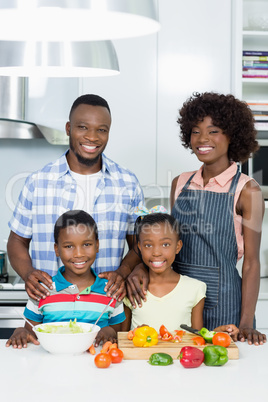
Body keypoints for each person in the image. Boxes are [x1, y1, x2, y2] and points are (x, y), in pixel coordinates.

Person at [7, 94, 144, 303]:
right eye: (83, 127)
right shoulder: (39, 181)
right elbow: (17, 240)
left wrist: (124, 271)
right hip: (50, 307)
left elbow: (139, 244)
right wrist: (27, 273)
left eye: (102, 130)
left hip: (105, 310)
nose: (92, 137)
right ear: (69, 128)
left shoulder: (127, 182)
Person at [170, 92, 266, 345]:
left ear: (232, 135)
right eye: (195, 131)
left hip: (225, 302)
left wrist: (246, 322)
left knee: (225, 374)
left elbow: (252, 263)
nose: (202, 139)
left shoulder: (247, 190)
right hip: (181, 300)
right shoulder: (179, 183)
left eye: (213, 131)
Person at [6, 210, 125, 349]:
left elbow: (117, 331)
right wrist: (21, 331)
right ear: (57, 249)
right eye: (69, 246)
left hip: (97, 366)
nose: (79, 254)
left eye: (87, 244)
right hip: (52, 365)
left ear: (97, 245)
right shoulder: (42, 289)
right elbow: (31, 332)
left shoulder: (111, 290)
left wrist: (110, 331)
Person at [122, 210, 239, 339]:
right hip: (139, 358)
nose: (156, 252)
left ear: (178, 246)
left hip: (180, 358)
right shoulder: (133, 288)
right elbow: (123, 337)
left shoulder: (195, 288)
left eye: (165, 244)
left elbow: (197, 337)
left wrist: (216, 334)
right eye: (148, 245)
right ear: (139, 247)